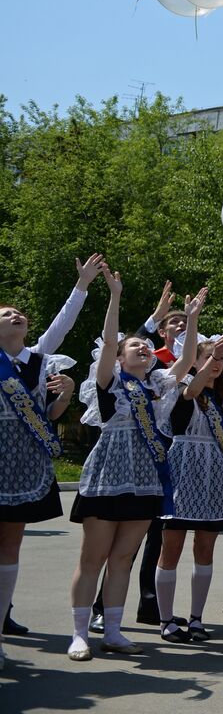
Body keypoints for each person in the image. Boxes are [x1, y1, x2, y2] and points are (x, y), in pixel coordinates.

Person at [68, 267, 196, 661]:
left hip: (145, 480)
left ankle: (113, 630)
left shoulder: (155, 385)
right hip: (108, 477)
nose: (143, 348)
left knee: (123, 558)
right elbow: (109, 342)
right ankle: (78, 634)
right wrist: (115, 296)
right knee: (93, 558)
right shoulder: (109, 382)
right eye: (134, 346)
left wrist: (191, 320)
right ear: (121, 357)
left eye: (146, 345)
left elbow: (188, 357)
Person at [0, 253, 101, 669]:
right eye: (7, 313)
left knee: (11, 542)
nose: (16, 314)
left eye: (19, 312)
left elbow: (53, 415)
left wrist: (81, 287)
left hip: (24, 465)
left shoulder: (41, 361)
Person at [154, 333, 223, 644]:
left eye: (220, 359)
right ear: (196, 362)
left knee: (205, 548)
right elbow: (193, 389)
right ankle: (166, 620)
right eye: (209, 358)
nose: (216, 363)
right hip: (182, 472)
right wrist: (206, 351)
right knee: (170, 548)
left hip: (214, 475)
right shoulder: (183, 391)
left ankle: (197, 618)